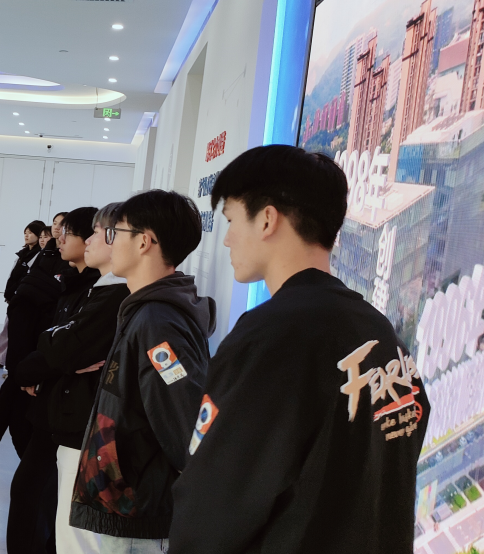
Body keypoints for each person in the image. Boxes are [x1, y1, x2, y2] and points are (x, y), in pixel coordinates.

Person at [170, 146, 431, 552]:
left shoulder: (270, 338)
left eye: (232, 220)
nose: (227, 239)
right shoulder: (379, 332)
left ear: (267, 219)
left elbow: (213, 503)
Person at [68, 190, 214, 553]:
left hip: (136, 513)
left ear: (144, 242)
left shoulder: (157, 322)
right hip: (124, 504)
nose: (109, 242)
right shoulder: (145, 310)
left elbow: (184, 420)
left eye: (115, 232)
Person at [14, 204, 131, 553]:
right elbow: (55, 342)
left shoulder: (116, 295)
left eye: (97, 233)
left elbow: (62, 347)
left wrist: (58, 349)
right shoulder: (97, 289)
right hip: (67, 416)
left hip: (84, 424)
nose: (61, 239)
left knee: (73, 529)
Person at [0, 212, 71, 456]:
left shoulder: (68, 272)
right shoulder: (42, 259)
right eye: (56, 225)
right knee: (20, 422)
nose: (58, 232)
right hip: (29, 362)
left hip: (44, 371)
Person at [0, 220, 48, 369]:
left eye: (31, 233)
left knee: (15, 333)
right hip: (14, 297)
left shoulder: (38, 255)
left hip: (23, 299)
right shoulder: (23, 254)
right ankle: (0, 359)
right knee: (7, 330)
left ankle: (10, 364)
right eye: (25, 232)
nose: (27, 235)